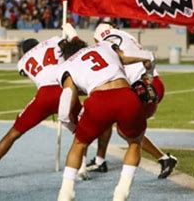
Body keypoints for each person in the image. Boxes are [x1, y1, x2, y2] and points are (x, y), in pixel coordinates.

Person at [0, 36, 82, 182]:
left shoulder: (22, 62)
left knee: (13, 133)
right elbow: (70, 48)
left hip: (43, 96)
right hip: (65, 90)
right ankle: (81, 169)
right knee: (82, 130)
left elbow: (26, 71)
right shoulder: (53, 40)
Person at [56, 36, 150, 201]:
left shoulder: (66, 66)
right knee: (135, 142)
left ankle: (65, 193)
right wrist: (148, 66)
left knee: (79, 144)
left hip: (99, 100)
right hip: (126, 96)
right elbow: (133, 58)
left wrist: (69, 124)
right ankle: (121, 192)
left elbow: (66, 100)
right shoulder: (105, 45)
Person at [85, 23, 177, 179]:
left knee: (125, 130)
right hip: (152, 82)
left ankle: (164, 159)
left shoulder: (107, 43)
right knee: (109, 118)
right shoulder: (125, 35)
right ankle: (100, 161)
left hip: (141, 86)